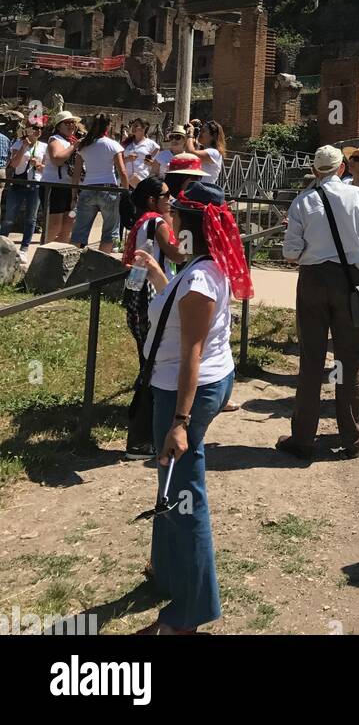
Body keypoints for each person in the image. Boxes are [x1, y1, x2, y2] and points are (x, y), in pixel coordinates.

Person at [130, 180, 252, 635]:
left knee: (185, 492)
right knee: (170, 481)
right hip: (188, 386)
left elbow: (191, 354)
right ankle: (167, 570)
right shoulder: (200, 267)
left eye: (177, 214)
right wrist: (160, 276)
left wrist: (180, 423)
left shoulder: (200, 278)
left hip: (186, 393)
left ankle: (191, 613)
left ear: (192, 224)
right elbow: (178, 304)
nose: (171, 220)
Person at [277, 145, 359, 460]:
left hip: (312, 281)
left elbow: (290, 253)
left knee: (311, 359)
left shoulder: (302, 203)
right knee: (348, 360)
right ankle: (352, 435)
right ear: (342, 169)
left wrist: (309, 245)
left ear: (315, 171)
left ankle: (303, 437)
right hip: (350, 281)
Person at [121, 176, 184, 455]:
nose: (170, 200)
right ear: (152, 200)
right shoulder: (157, 223)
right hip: (152, 298)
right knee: (152, 366)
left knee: (148, 361)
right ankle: (140, 436)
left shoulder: (140, 221)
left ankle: (145, 431)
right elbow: (176, 255)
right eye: (166, 196)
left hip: (138, 297)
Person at [70, 115, 126, 253]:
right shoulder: (112, 145)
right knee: (109, 232)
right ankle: (100, 264)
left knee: (79, 231)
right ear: (107, 126)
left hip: (87, 188)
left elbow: (76, 174)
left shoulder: (84, 145)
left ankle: (71, 262)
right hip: (108, 188)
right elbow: (123, 172)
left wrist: (74, 195)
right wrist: (125, 193)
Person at [1, 122, 45, 256]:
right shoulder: (18, 144)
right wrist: (24, 147)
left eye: (41, 128)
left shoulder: (44, 146)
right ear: (28, 129)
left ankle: (24, 248)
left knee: (31, 219)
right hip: (18, 184)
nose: (38, 130)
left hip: (35, 184)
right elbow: (13, 164)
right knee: (9, 217)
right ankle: (2, 245)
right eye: (35, 128)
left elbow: (47, 169)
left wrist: (38, 164)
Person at [39, 111, 80, 244]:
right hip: (54, 186)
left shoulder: (72, 141)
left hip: (69, 187)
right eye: (67, 123)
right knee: (53, 226)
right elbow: (57, 159)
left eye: (73, 122)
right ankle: (42, 258)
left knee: (68, 226)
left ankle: (57, 259)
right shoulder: (55, 139)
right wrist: (74, 146)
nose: (71, 125)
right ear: (59, 126)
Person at [122, 119, 160, 188]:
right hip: (126, 180)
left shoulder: (152, 145)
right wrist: (128, 159)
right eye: (132, 126)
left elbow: (156, 165)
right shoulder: (126, 143)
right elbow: (119, 161)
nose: (133, 128)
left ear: (144, 128)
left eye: (136, 126)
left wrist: (150, 163)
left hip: (143, 180)